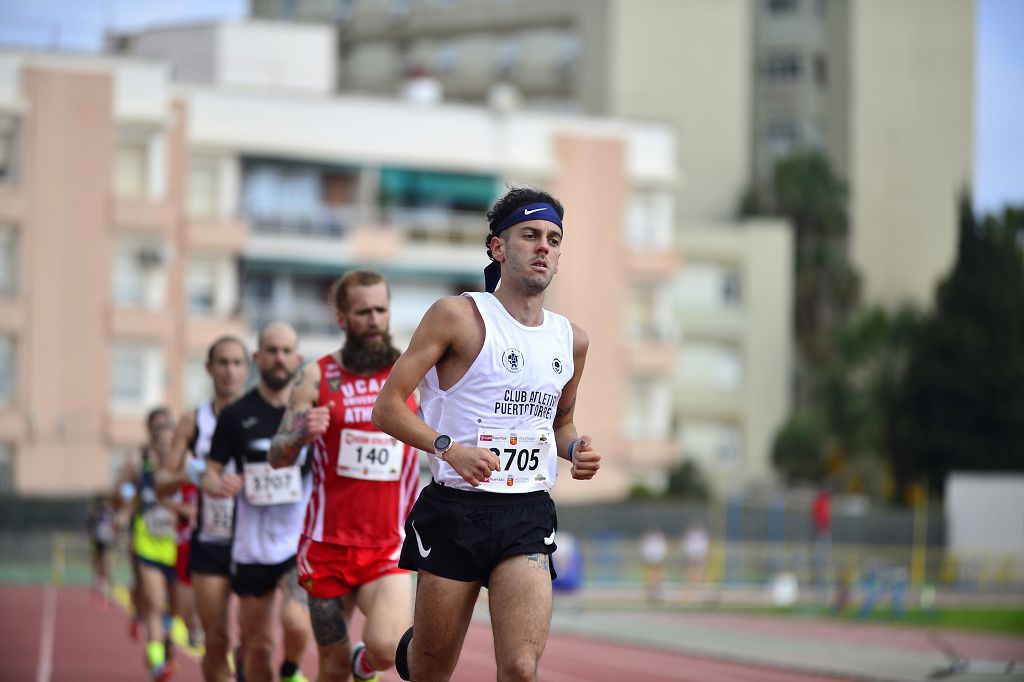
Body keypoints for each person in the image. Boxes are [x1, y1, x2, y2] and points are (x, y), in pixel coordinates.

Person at [372, 186, 601, 682]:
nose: (544, 246)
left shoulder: (572, 340)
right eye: (530, 235)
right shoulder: (458, 317)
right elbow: (387, 408)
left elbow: (560, 424)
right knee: (429, 671)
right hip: (456, 512)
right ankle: (416, 650)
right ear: (498, 247)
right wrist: (448, 449)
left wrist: (575, 450)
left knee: (520, 667)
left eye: (554, 239)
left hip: (526, 511)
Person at [269, 271, 419, 682]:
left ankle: (365, 665)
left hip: (387, 546)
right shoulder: (316, 377)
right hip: (326, 546)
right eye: (363, 311)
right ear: (342, 318)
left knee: (388, 648)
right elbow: (277, 455)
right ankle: (347, 665)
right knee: (330, 668)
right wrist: (301, 433)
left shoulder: (413, 373)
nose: (374, 319)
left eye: (381, 310)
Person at [202, 322, 313, 682]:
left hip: (298, 545)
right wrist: (219, 485)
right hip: (251, 549)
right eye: (272, 351)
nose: (279, 359)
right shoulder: (235, 415)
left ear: (298, 359)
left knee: (296, 625)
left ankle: (292, 667)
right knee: (258, 647)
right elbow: (209, 473)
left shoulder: (312, 414)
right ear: (257, 358)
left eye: (286, 352)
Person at [156, 336, 249, 681]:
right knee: (216, 638)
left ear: (247, 369)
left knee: (257, 641)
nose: (229, 371)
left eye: (237, 363)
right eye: (222, 363)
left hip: (257, 543)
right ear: (209, 369)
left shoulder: (263, 416)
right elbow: (162, 482)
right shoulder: (194, 422)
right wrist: (193, 473)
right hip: (211, 540)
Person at [116, 407, 183, 681]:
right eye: (160, 437)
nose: (166, 444)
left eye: (171, 438)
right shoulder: (141, 461)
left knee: (175, 612)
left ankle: (163, 645)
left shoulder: (186, 464)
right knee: (154, 603)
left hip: (179, 546)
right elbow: (130, 496)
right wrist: (123, 512)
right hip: (148, 542)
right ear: (153, 439)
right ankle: (157, 664)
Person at [86, 491, 116, 608]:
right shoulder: (95, 513)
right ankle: (97, 591)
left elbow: (115, 525)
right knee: (98, 567)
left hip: (107, 542)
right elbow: (89, 528)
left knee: (106, 568)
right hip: (97, 542)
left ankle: (109, 594)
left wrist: (114, 535)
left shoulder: (110, 512)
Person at [639, 527, 667, 603]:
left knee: (656, 578)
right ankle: (651, 594)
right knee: (651, 579)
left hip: (655, 562)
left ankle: (656, 594)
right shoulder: (651, 542)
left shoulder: (658, 542)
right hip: (651, 562)